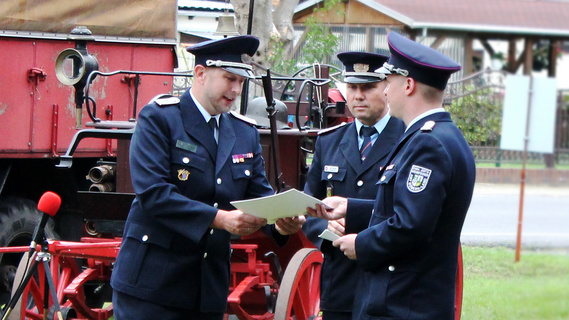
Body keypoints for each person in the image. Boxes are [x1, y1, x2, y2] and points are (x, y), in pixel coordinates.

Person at [110, 35, 302, 320]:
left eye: (241, 81)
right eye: (229, 79)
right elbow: (154, 194)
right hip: (153, 286)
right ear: (200, 73)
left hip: (207, 289)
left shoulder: (243, 132)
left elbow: (258, 194)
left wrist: (282, 223)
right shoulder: (160, 119)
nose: (236, 89)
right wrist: (220, 219)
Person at [308, 32, 476, 320]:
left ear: (408, 85)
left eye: (389, 82)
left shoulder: (427, 143)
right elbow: (415, 209)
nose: (385, 91)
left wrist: (360, 244)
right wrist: (354, 208)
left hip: (404, 303)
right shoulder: (444, 135)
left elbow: (411, 224)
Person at [301, 51, 405, 320]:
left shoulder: (408, 140)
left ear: (387, 89)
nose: (358, 95)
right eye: (352, 87)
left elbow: (410, 212)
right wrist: (324, 226)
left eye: (368, 87)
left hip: (387, 282)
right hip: (340, 283)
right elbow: (307, 203)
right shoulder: (329, 142)